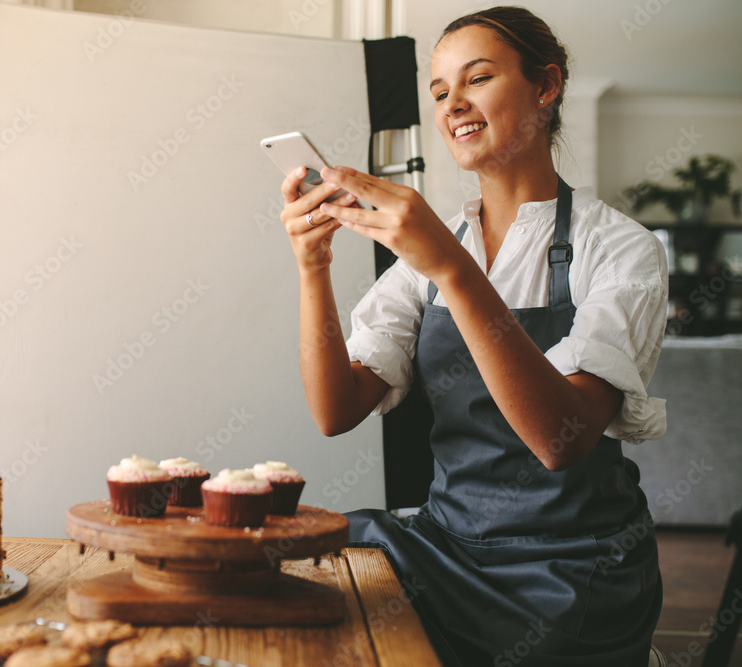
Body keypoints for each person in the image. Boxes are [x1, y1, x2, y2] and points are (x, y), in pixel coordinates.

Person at [278, 7, 666, 666]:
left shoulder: (620, 250)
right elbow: (334, 410)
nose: (452, 103)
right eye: (437, 91)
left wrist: (452, 269)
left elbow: (560, 439)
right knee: (297, 570)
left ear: (547, 86)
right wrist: (312, 267)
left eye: (477, 78)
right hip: (446, 542)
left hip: (571, 571)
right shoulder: (433, 250)